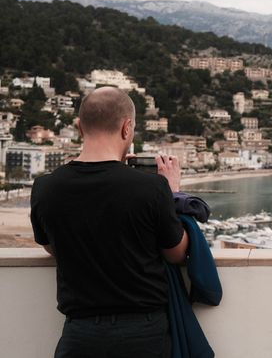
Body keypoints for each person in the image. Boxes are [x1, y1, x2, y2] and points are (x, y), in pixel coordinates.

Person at [30, 86, 189, 358]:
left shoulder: (45, 188)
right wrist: (173, 194)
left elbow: (52, 247)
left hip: (80, 334)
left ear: (80, 127)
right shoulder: (151, 188)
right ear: (127, 128)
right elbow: (177, 253)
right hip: (143, 333)